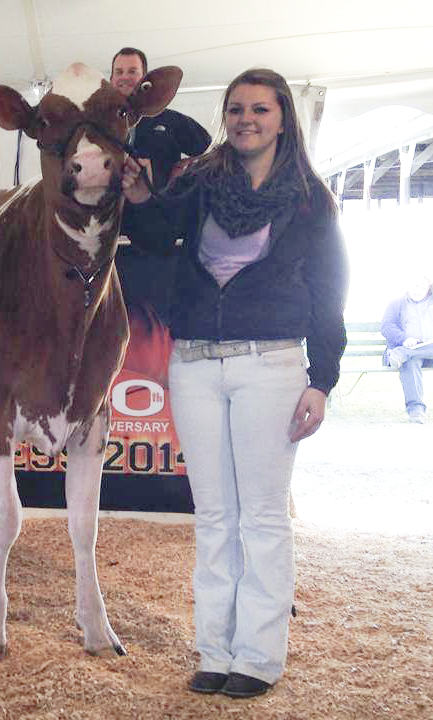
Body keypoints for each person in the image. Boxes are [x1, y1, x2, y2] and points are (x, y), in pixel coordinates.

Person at [122, 69, 348, 698]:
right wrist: (140, 195)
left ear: (283, 119)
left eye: (260, 109)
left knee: (264, 518)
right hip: (194, 360)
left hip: (272, 363)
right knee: (215, 516)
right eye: (236, 108)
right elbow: (153, 235)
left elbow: (330, 294)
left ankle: (258, 657)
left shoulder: (310, 199)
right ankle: (214, 650)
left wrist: (321, 380)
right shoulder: (197, 181)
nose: (247, 118)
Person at [111, 46, 212, 324]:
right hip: (111, 243)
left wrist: (181, 174)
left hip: (156, 238)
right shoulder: (97, 123)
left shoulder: (168, 119)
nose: (125, 77)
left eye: (132, 71)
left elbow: (205, 147)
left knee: (153, 324)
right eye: (119, 72)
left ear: (146, 80)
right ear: (111, 79)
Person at [381, 274, 433, 423]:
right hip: (410, 354)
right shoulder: (396, 304)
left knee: (408, 356)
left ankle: (403, 354)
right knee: (410, 362)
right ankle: (416, 412)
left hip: (431, 352)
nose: (418, 290)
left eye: (423, 287)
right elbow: (386, 327)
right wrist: (404, 339)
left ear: (429, 289)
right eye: (415, 286)